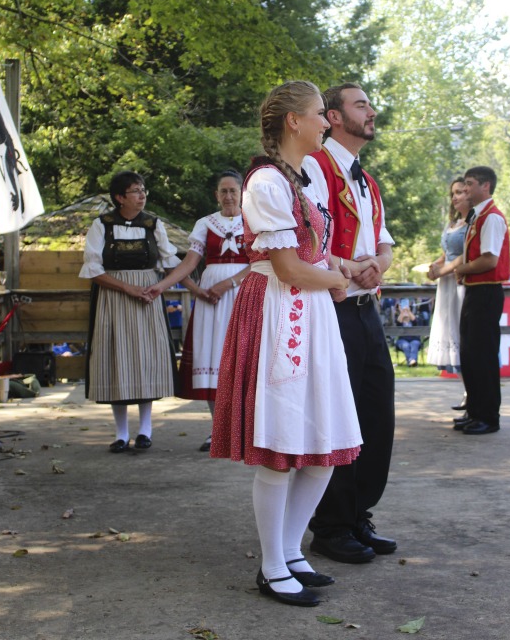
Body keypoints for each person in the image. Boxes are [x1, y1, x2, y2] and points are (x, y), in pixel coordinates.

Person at [210, 80, 367, 608]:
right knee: (279, 449)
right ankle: (272, 565)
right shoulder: (264, 183)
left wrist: (346, 267)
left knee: (323, 445)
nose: (328, 122)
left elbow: (314, 255)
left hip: (312, 312)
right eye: (321, 114)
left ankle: (291, 551)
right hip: (280, 313)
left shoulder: (308, 181)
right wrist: (337, 281)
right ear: (293, 122)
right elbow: (286, 265)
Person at [304, 81, 397, 564]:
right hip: (333, 309)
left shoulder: (367, 179)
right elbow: (310, 240)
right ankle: (331, 525)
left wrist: (377, 262)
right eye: (361, 104)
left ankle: (358, 514)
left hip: (366, 310)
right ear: (335, 117)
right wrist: (350, 265)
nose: (372, 111)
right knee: (338, 415)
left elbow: (384, 240)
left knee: (377, 413)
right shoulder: (315, 167)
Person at [80, 171, 188, 453]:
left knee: (145, 358)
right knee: (116, 360)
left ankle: (145, 430)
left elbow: (171, 263)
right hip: (113, 298)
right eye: (135, 191)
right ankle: (120, 433)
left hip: (148, 299)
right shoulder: (101, 225)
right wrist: (128, 288)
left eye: (143, 191)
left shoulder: (153, 224)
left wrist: (159, 288)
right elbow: (93, 270)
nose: (141, 196)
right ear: (119, 197)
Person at [171, 170, 250, 451]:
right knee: (212, 358)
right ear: (216, 195)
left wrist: (228, 283)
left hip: (243, 294)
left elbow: (260, 261)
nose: (228, 196)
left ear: (243, 193)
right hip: (209, 299)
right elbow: (190, 262)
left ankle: (242, 430)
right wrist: (185, 288)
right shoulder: (205, 223)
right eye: (223, 191)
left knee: (243, 358)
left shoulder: (254, 221)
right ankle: (217, 428)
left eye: (233, 190)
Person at [453, 166, 510, 435]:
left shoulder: (492, 218)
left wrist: (461, 268)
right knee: (470, 353)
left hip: (487, 292)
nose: (465, 189)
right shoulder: (479, 216)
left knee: (483, 355)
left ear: (486, 186)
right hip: (476, 291)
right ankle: (475, 411)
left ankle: (488, 416)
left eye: (470, 183)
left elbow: (490, 259)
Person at [427, 178, 470, 407]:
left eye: (461, 192)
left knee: (462, 334)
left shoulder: (472, 224)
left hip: (460, 282)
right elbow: (446, 253)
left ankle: (472, 394)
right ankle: (467, 392)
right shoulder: (453, 223)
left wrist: (444, 269)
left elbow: (467, 255)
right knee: (451, 332)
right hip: (446, 284)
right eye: (453, 192)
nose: (455, 197)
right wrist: (435, 266)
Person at [394, 299, 421, 367]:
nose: (406, 313)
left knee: (414, 344)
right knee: (406, 345)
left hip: (414, 339)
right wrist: (402, 312)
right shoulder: (400, 320)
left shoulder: (413, 320)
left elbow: (415, 321)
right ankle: (412, 361)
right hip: (402, 340)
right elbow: (398, 322)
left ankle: (411, 361)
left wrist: (408, 311)